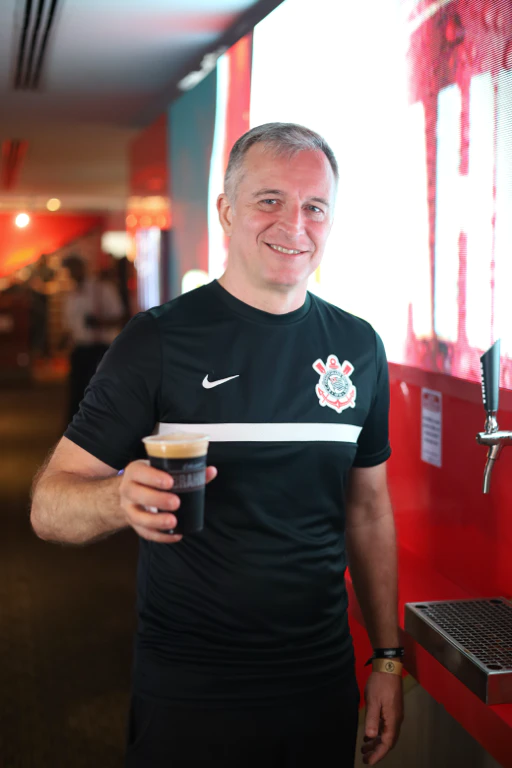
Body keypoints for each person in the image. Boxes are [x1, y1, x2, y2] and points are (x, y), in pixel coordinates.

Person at [31, 123, 403, 767]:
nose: (294, 224)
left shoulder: (360, 346)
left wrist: (388, 659)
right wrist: (117, 498)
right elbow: (48, 506)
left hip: (318, 679)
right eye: (270, 200)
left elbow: (368, 511)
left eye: (315, 207)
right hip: (190, 689)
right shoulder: (157, 341)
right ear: (227, 211)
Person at [60, 254, 125, 423]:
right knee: (77, 393)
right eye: (68, 269)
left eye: (73, 268)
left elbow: (120, 317)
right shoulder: (72, 294)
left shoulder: (102, 289)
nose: (71, 273)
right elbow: (70, 324)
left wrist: (100, 322)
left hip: (100, 349)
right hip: (80, 349)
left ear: (82, 267)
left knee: (98, 392)